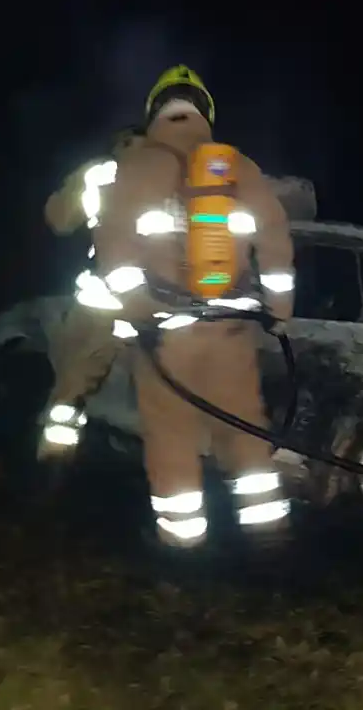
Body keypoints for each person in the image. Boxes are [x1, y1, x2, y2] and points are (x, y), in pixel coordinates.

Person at [85, 64, 296, 550]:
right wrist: (278, 311)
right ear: (205, 112)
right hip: (232, 332)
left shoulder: (138, 165)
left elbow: (113, 246)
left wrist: (135, 308)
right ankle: (267, 536)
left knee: (172, 437)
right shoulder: (238, 166)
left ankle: (183, 544)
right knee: (244, 433)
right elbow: (276, 240)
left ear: (154, 112)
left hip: (167, 333)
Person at [35, 124, 146, 460]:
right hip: (167, 307)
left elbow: (59, 219)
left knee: (70, 394)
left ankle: (55, 470)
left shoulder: (98, 173)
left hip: (105, 304)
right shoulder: (187, 175)